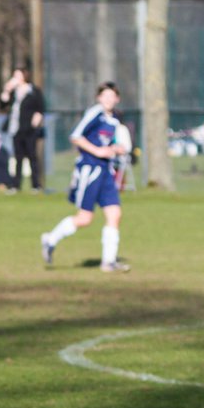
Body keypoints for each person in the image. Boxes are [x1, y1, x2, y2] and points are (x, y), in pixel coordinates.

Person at [40, 82, 131, 274]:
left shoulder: (114, 120)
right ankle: (50, 239)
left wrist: (116, 149)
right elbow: (76, 136)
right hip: (90, 170)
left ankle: (108, 262)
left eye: (112, 96)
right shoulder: (95, 113)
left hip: (106, 171)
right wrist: (97, 151)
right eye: (105, 96)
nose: (108, 99)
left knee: (115, 214)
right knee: (84, 218)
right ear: (99, 98)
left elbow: (109, 144)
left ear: (117, 99)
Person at [0, 66, 46, 192]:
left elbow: (41, 107)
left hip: (30, 129)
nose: (15, 78)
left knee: (32, 157)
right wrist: (6, 90)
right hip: (16, 129)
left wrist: (37, 117)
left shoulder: (33, 91)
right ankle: (16, 185)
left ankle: (36, 185)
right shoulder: (13, 92)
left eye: (18, 75)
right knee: (18, 158)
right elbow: (3, 104)